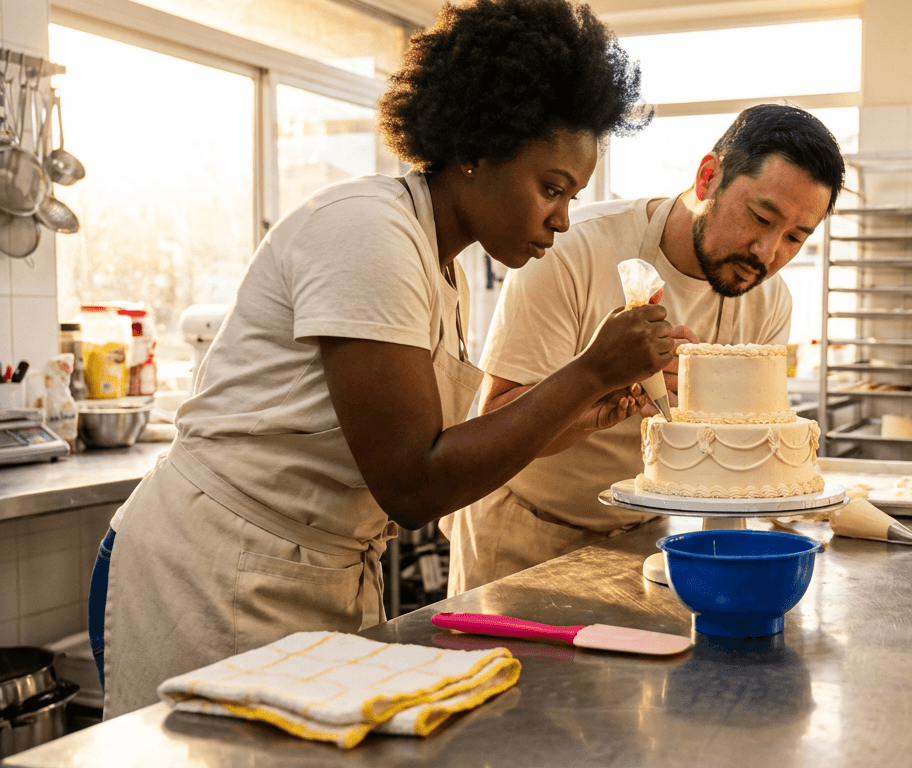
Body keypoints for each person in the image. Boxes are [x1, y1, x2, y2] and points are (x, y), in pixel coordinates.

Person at [91, 0, 674, 719]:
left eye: (572, 196)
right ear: (477, 149)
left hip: (316, 570)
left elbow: (458, 451)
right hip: (214, 569)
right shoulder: (369, 233)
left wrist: (584, 415)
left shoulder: (442, 267)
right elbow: (414, 482)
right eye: (551, 188)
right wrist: (588, 371)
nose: (561, 217)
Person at [443, 104, 845, 593]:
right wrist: (599, 379)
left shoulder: (768, 299)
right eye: (760, 217)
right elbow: (495, 426)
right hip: (524, 531)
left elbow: (733, 455)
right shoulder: (573, 252)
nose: (767, 252)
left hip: (645, 536)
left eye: (795, 238)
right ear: (707, 179)